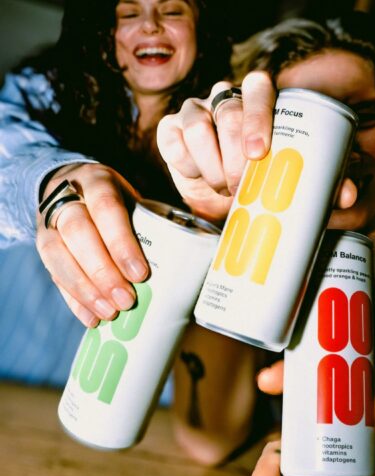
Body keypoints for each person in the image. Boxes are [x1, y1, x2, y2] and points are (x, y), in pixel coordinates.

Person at [156, 14, 375, 476]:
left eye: (363, 117)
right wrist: (223, 226)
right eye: (308, 120)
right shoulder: (233, 251)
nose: (344, 150)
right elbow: (206, 441)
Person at [0, 0, 232, 395]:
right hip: (17, 366)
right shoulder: (44, 88)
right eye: (129, 13)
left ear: (201, 29)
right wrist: (53, 180)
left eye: (172, 11)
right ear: (104, 29)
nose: (151, 26)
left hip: (141, 392)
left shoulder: (223, 117)